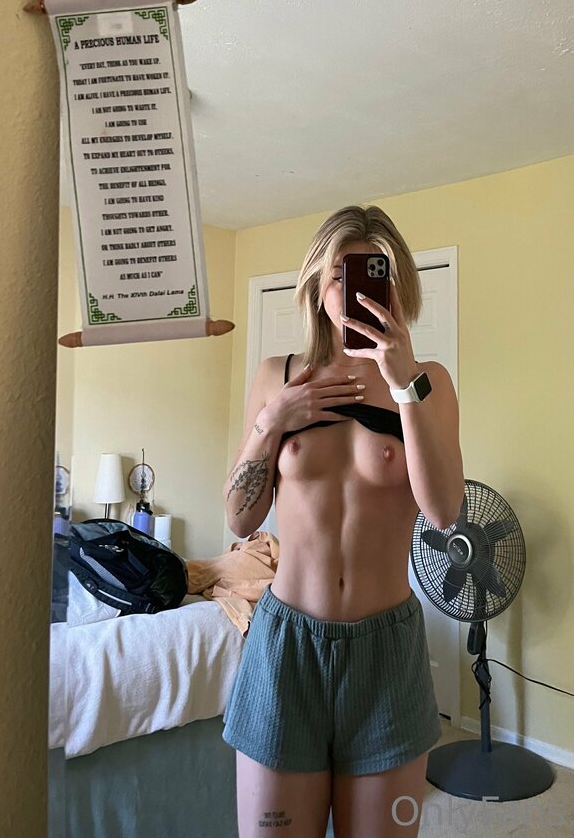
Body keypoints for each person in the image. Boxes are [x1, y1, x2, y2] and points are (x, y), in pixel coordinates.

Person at [221, 204, 465, 838]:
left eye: (372, 274)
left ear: (397, 285)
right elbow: (241, 519)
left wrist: (403, 383)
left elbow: (444, 513)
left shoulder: (429, 382)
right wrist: (272, 422)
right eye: (339, 274)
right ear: (316, 285)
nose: (352, 290)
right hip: (286, 648)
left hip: (386, 653)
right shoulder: (277, 376)